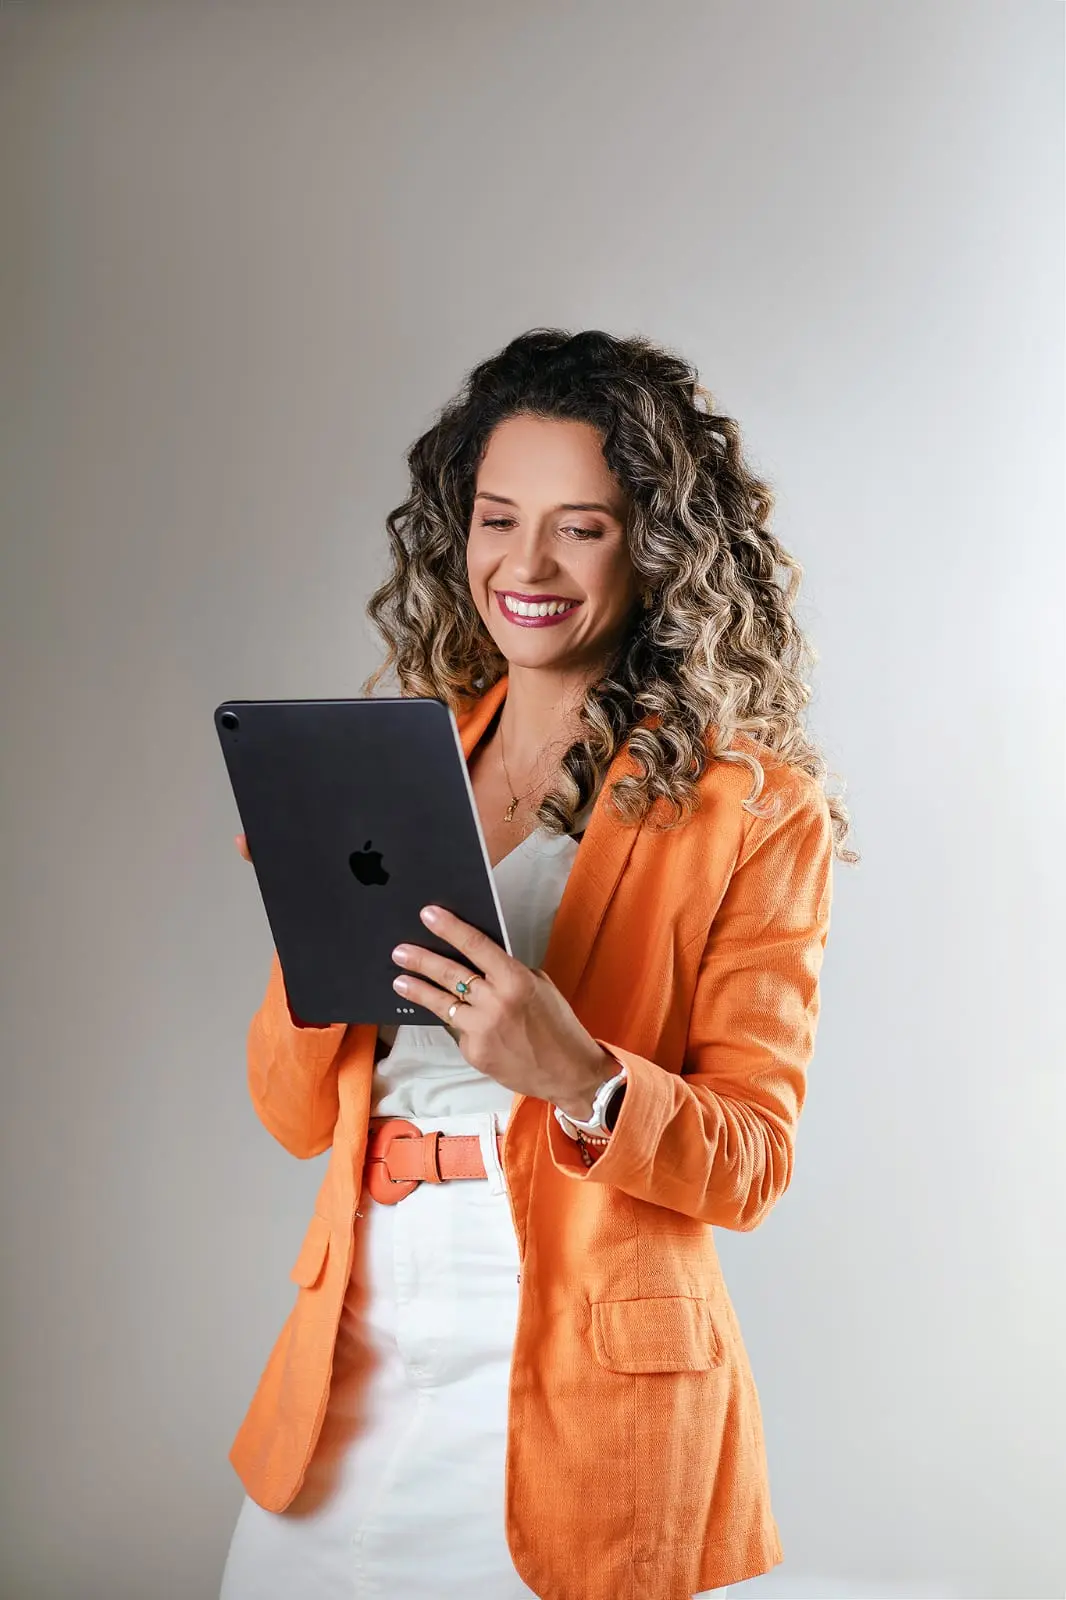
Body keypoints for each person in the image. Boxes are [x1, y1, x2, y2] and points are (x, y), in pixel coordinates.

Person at [217, 327, 856, 1600]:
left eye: (583, 526)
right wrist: (308, 936)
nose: (527, 564)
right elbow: (294, 1117)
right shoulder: (404, 759)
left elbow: (754, 1161)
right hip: (359, 1333)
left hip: (582, 1366)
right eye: (498, 517)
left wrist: (580, 1075)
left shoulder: (754, 806)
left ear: (656, 546)